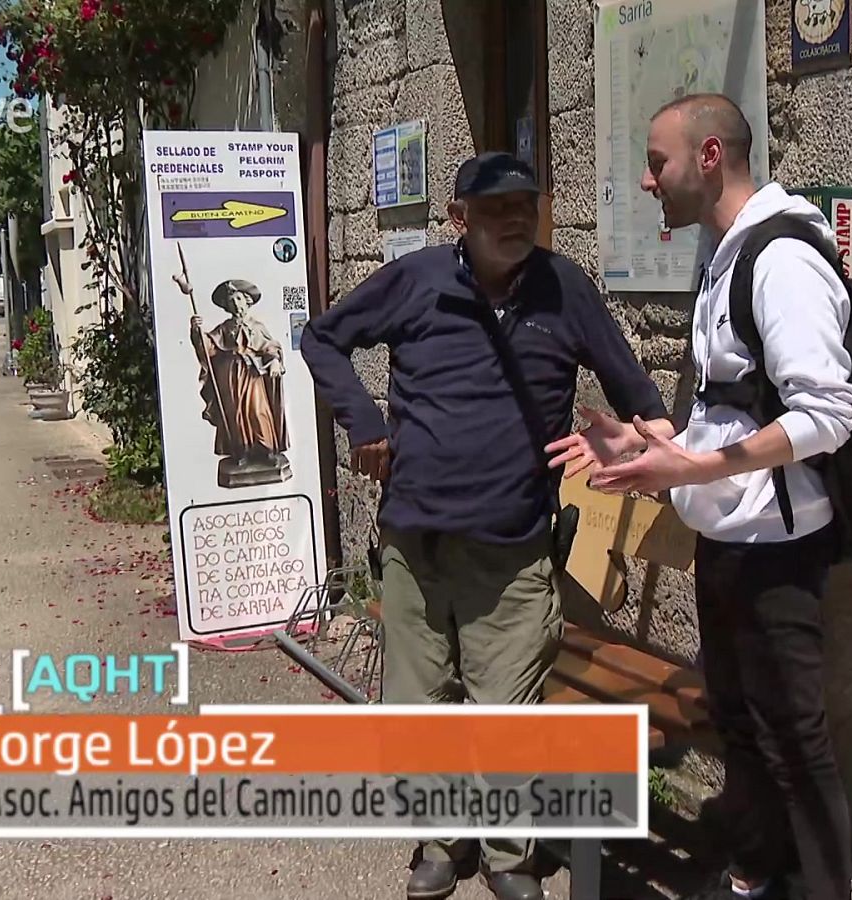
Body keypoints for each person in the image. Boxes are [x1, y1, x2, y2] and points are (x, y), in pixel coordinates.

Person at [299, 152, 673, 900]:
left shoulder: (564, 289)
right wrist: (363, 420)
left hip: (512, 549)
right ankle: (443, 842)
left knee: (508, 711)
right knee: (420, 706)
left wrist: (649, 446)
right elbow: (321, 338)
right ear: (458, 218)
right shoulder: (417, 281)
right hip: (416, 543)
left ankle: (508, 856)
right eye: (496, 208)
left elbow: (638, 396)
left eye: (525, 206)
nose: (515, 219)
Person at [567, 94, 852, 900]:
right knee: (741, 722)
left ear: (709, 156)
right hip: (729, 541)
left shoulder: (781, 259)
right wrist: (646, 446)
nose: (646, 180)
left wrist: (691, 471)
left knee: (794, 739)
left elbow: (826, 417)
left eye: (656, 161)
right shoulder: (724, 255)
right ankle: (755, 875)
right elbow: (734, 409)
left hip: (779, 551)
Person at [175, 275, 292, 482]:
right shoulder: (224, 328)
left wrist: (274, 361)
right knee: (236, 414)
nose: (235, 304)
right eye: (231, 301)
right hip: (230, 376)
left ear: (247, 301)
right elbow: (208, 348)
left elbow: (270, 346)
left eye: (238, 299)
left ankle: (267, 450)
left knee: (258, 410)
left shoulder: (257, 326)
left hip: (253, 375)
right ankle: (242, 452)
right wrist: (197, 331)